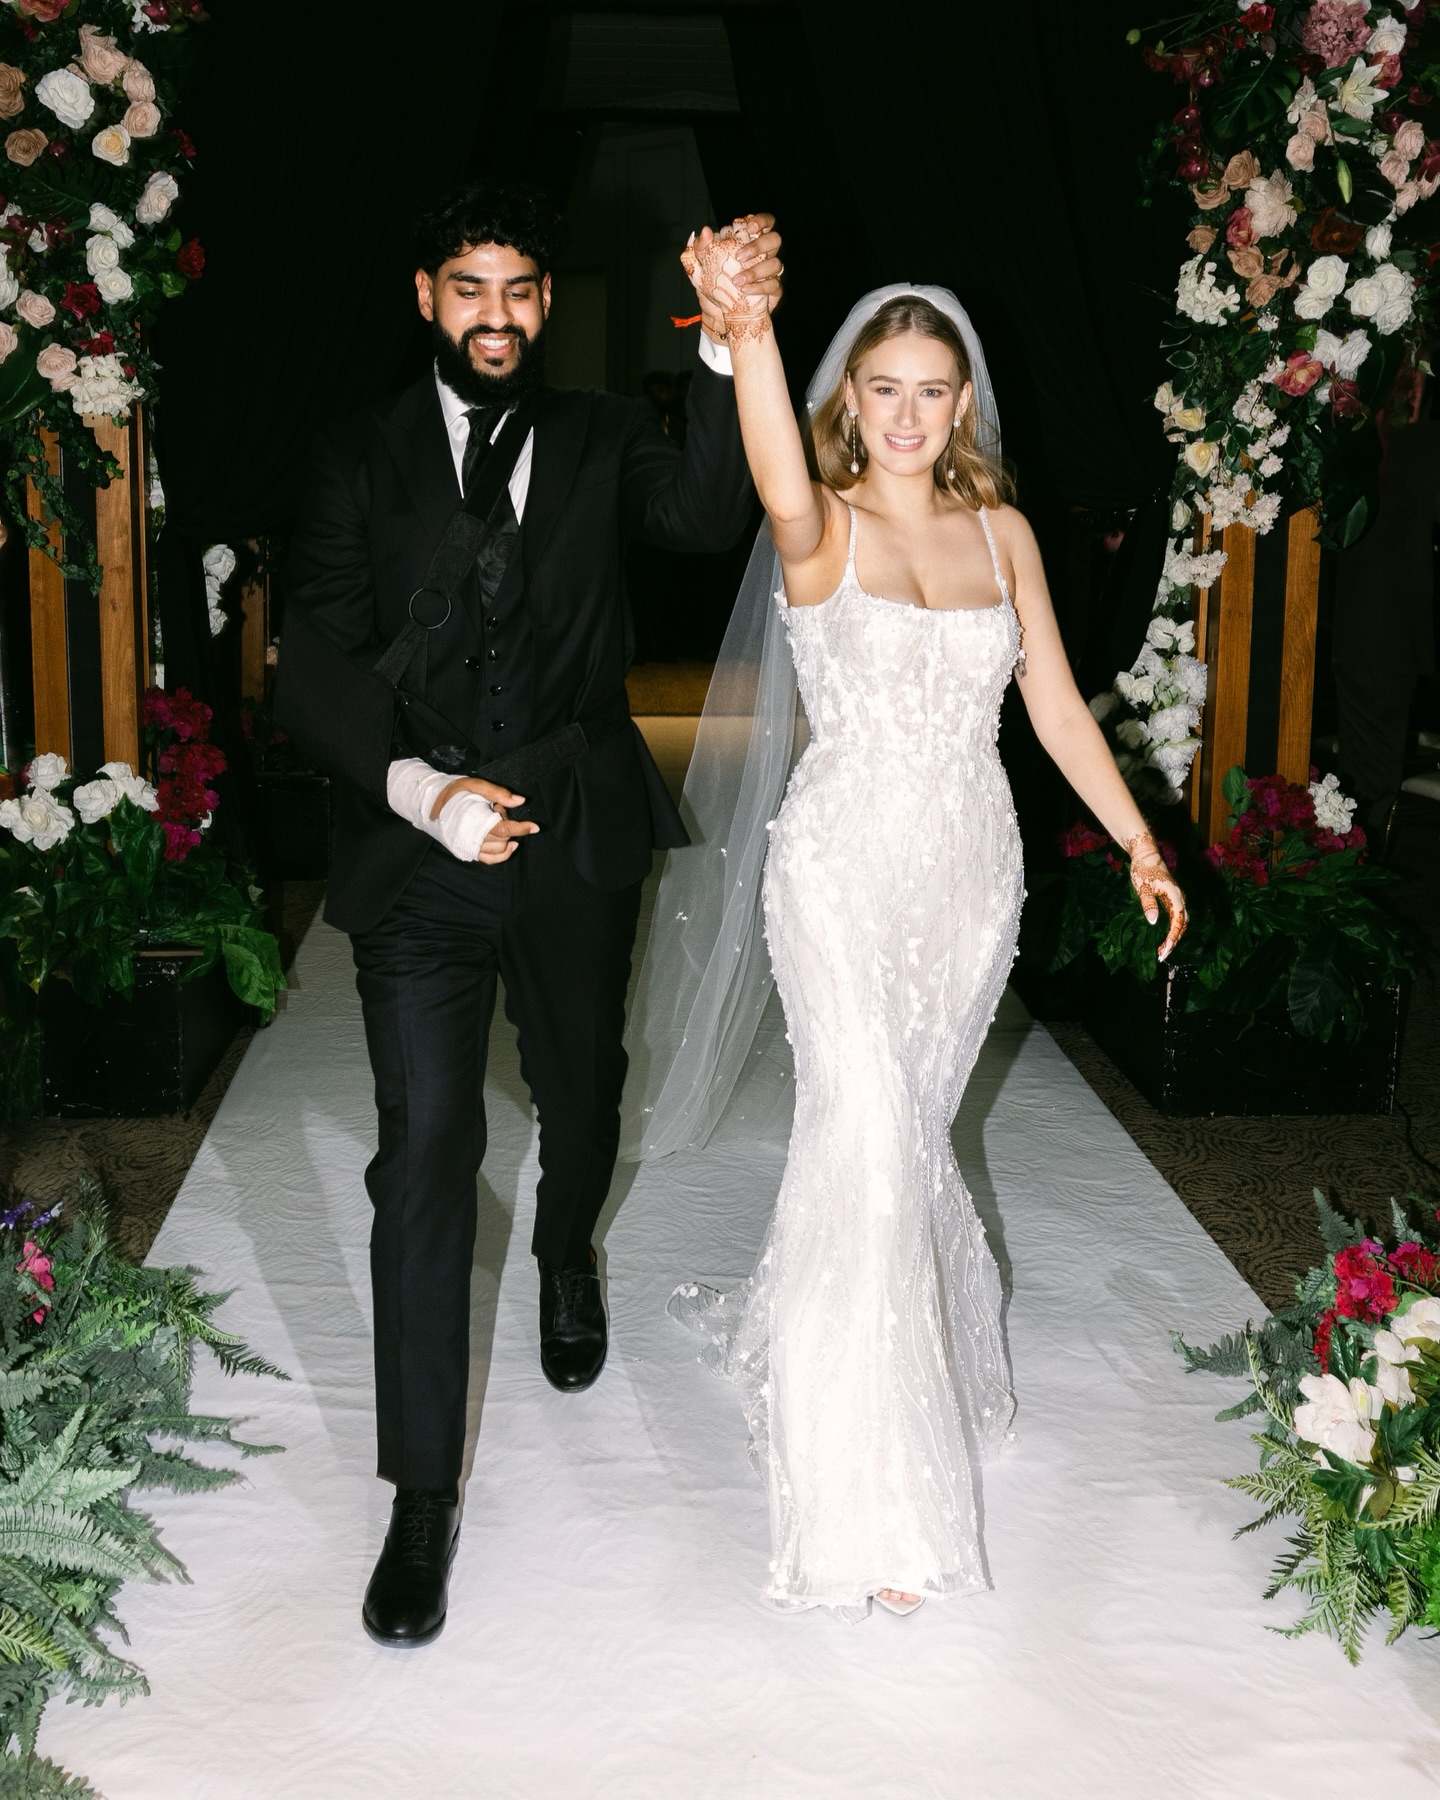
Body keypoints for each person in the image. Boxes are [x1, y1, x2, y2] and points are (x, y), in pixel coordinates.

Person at [646, 237, 1186, 1618]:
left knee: (897, 1137)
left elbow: (1056, 707)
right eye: (880, 387)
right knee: (872, 1138)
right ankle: (868, 1512)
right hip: (836, 865)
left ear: (962, 404)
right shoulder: (819, 521)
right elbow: (770, 464)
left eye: (929, 390)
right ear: (848, 399)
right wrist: (749, 330)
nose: (902, 413)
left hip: (967, 874)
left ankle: (810, 1322)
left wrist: (1136, 837)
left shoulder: (1004, 534)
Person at [279, 183, 782, 1648]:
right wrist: (420, 790)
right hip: (416, 849)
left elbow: (703, 508)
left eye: (518, 292)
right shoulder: (354, 458)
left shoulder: (603, 439)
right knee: (425, 1152)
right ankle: (422, 1495)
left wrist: (725, 349)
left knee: (583, 1092)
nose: (493, 317)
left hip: (571, 822)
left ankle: (568, 1250)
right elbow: (307, 665)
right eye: (467, 290)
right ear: (425, 295)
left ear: (546, 303)